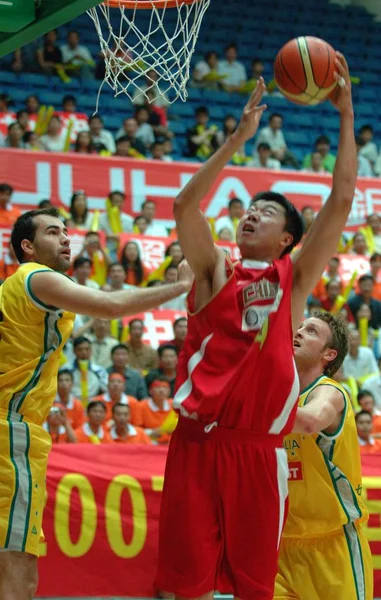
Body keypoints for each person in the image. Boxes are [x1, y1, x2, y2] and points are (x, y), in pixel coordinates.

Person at [156, 54, 357, 599]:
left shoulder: (292, 285)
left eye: (266, 212)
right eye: (248, 208)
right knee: (184, 588)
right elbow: (182, 204)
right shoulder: (212, 269)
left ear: (287, 239)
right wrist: (236, 140)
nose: (251, 214)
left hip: (257, 451)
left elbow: (340, 200)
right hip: (196, 445)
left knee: (254, 589)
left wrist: (344, 115)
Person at [0, 207, 191, 600]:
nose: (67, 238)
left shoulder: (15, 290)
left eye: (67, 231)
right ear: (28, 246)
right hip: (12, 431)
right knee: (17, 569)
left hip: (15, 428)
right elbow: (110, 306)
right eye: (54, 232)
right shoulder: (36, 276)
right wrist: (178, 287)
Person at [274, 312, 373, 600]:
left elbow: (308, 421)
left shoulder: (330, 393)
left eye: (312, 331)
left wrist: (254, 404)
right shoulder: (280, 392)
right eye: (301, 326)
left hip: (332, 545)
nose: (301, 331)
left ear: (329, 354)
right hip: (282, 544)